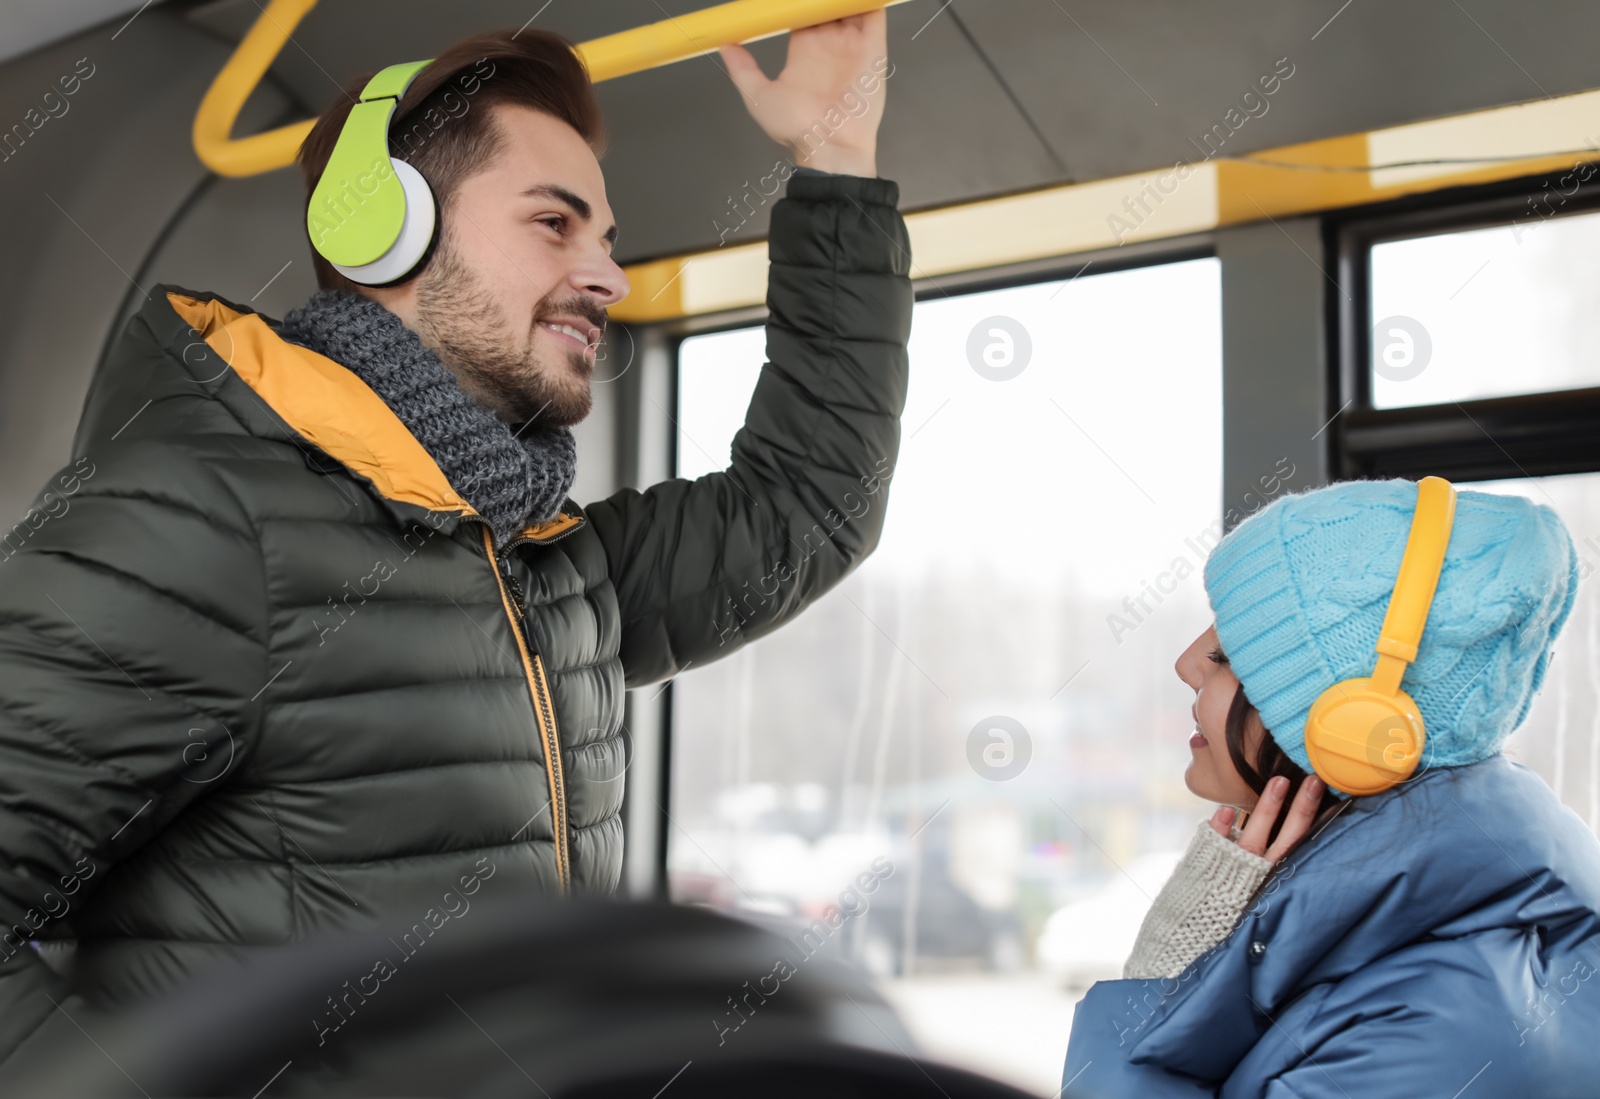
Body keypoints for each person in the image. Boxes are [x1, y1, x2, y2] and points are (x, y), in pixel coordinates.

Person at [0, 11, 909, 1070]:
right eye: (553, 223)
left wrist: (835, 154)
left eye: (604, 240)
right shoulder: (198, 519)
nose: (608, 277)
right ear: (376, 230)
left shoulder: (548, 567)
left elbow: (809, 503)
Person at [1063, 476, 1600, 1098]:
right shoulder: (1427, 961)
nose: (1186, 664)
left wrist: (1157, 999)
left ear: (1357, 729)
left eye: (1230, 655)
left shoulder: (1429, 1032)